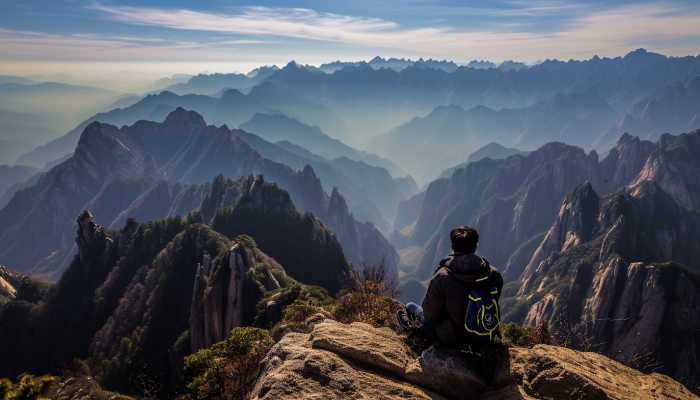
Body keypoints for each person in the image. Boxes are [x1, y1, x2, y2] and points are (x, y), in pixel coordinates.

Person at [398, 226, 504, 348]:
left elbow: (430, 314)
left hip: (453, 339)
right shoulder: (494, 274)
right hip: (485, 335)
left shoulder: (443, 276)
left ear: (452, 248)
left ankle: (412, 329)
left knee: (411, 307)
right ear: (475, 247)